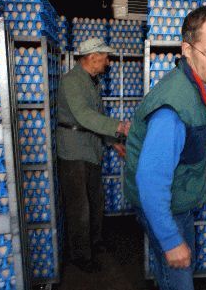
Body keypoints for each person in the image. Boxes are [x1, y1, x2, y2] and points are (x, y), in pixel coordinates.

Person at [124, 6, 206, 289]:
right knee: (180, 276)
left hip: (177, 200)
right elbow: (150, 180)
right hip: (167, 206)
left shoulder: (199, 88)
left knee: (172, 273)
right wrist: (171, 240)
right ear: (187, 49)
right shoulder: (173, 107)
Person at [57, 37, 130, 273]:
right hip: (74, 149)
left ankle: (95, 242)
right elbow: (83, 116)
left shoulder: (91, 81)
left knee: (95, 200)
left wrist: (113, 142)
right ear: (92, 57)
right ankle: (80, 255)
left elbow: (96, 117)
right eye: (105, 57)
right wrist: (119, 126)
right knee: (79, 207)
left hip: (90, 147)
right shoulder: (71, 81)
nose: (107, 62)